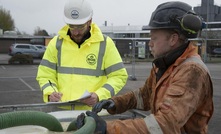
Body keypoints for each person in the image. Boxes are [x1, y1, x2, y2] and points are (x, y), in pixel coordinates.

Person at [76, 1, 214, 133]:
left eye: (154, 38)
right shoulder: (165, 65)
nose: (150, 43)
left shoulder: (192, 71)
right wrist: (115, 103)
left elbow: (165, 124)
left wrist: (106, 128)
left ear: (173, 39)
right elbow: (145, 95)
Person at [36, 0, 128, 110]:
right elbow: (45, 74)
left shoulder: (105, 44)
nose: (75, 32)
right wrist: (50, 92)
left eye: (80, 26)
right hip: (60, 110)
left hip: (93, 112)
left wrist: (99, 95)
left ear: (89, 21)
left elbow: (119, 76)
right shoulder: (56, 43)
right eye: (72, 26)